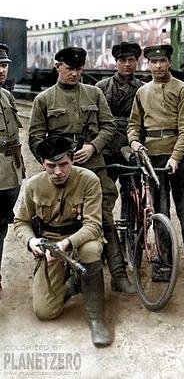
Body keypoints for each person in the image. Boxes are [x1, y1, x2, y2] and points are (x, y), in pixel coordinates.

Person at [29, 47, 135, 294]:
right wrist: (57, 164)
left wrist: (93, 146)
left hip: (95, 170)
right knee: (67, 223)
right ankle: (71, 279)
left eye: (79, 69)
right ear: (58, 67)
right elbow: (35, 139)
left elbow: (108, 128)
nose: (75, 74)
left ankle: (119, 276)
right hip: (62, 177)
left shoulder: (95, 93)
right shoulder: (44, 100)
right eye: (69, 69)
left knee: (105, 220)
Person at [13, 136, 111, 347]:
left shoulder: (89, 180)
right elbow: (20, 222)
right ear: (43, 164)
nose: (58, 171)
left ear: (73, 161)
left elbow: (93, 225)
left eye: (64, 164)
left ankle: (96, 318)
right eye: (51, 165)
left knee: (91, 250)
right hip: (49, 243)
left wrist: (66, 244)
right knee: (45, 311)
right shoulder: (32, 186)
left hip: (80, 239)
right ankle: (72, 284)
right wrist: (32, 242)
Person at [128, 44, 184, 286]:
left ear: (169, 62)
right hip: (154, 160)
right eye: (153, 62)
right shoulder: (142, 92)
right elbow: (133, 125)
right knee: (159, 213)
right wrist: (135, 142)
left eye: (162, 61)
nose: (158, 66)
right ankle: (165, 263)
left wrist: (176, 157)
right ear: (147, 64)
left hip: (183, 159)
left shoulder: (183, 90)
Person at [95, 42, 145, 222]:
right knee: (103, 194)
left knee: (132, 192)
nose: (127, 64)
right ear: (115, 62)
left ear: (137, 62)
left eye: (131, 60)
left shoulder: (143, 88)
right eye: (122, 60)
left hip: (130, 148)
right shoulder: (102, 87)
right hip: (106, 149)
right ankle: (104, 232)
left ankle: (131, 236)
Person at [0, 43, 25, 291]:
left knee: (1, 229)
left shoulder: (6, 95)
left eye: (4, 65)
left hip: (10, 175)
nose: (1, 70)